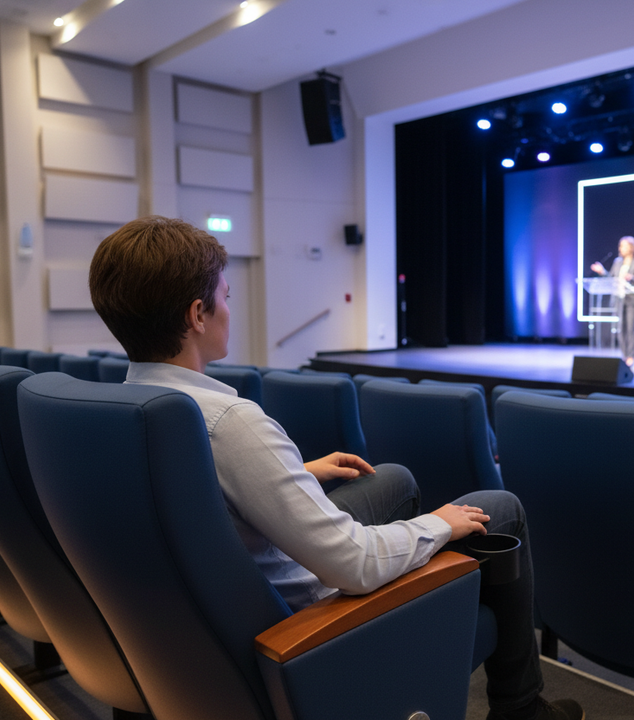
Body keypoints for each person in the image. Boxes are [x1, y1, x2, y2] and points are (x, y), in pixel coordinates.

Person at [88, 216, 583, 720]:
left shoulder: (123, 408)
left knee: (391, 479)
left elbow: (191, 495)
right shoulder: (229, 424)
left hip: (192, 631)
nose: (228, 311)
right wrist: (439, 523)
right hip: (312, 622)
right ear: (197, 314)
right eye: (226, 297)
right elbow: (353, 565)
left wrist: (291, 473)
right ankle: (521, 708)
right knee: (499, 509)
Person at [590, 236, 634, 367]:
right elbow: (612, 278)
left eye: (623, 245)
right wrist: (602, 271)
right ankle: (624, 355)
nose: (620, 248)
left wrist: (632, 277)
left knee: (631, 329)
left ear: (631, 247)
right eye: (620, 245)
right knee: (620, 329)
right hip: (619, 300)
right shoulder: (617, 262)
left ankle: (631, 356)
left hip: (633, 300)